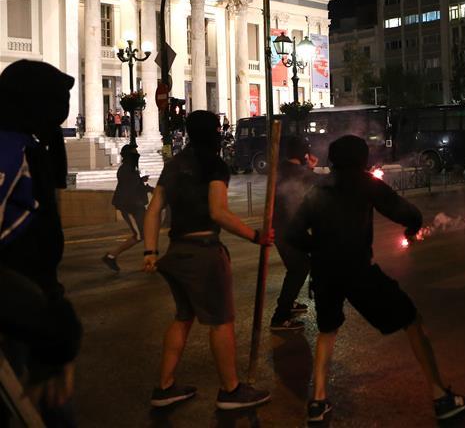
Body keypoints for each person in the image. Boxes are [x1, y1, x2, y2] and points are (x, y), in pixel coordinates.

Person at [288, 135, 465, 423]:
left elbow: (294, 233)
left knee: (327, 330)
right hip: (358, 271)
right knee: (411, 320)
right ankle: (441, 397)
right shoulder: (366, 184)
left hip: (325, 273)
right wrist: (412, 229)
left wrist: (320, 249)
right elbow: (407, 213)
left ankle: (317, 401)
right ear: (361, 159)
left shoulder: (317, 188)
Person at [142, 110, 271, 410]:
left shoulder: (175, 165)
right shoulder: (214, 164)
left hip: (176, 252)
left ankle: (165, 387)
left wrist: (150, 251)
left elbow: (154, 209)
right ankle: (231, 390)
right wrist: (256, 236)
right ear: (214, 132)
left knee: (183, 317)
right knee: (220, 322)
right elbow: (219, 212)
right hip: (203, 252)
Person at [0, 60, 81, 426]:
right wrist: (47, 323)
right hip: (16, 318)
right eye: (57, 99)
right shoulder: (10, 149)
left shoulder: (29, 143)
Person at [269, 136, 317, 331]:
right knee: (300, 267)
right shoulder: (297, 172)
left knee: (297, 267)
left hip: (280, 227)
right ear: (303, 153)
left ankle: (289, 302)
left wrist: (309, 168)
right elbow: (318, 182)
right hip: (288, 229)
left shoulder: (281, 167)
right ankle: (280, 317)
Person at [101, 145, 153, 272]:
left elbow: (134, 184)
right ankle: (111, 256)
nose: (137, 155)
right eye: (134, 153)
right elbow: (131, 188)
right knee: (140, 235)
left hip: (136, 206)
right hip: (130, 207)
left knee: (147, 231)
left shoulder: (130, 168)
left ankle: (150, 258)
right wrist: (147, 188)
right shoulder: (126, 169)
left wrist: (142, 181)